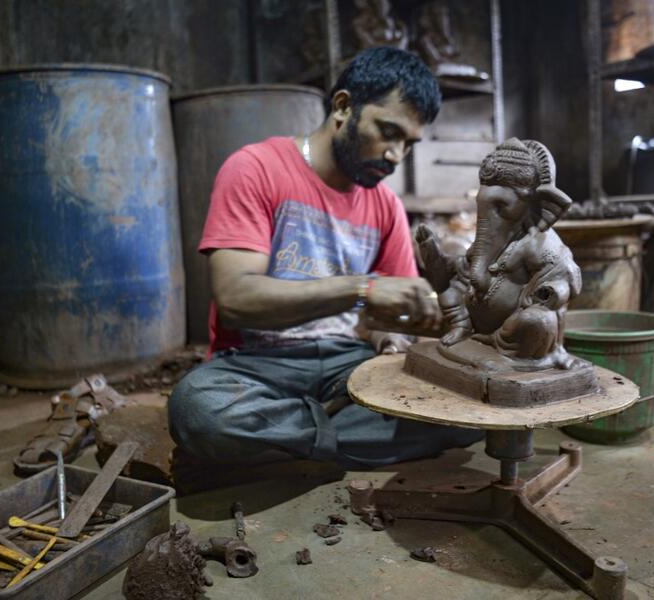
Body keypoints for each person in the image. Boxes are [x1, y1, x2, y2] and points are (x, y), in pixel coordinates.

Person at [168, 47, 484, 470]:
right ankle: (349, 437)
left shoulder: (385, 205)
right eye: (388, 131)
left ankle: (288, 446)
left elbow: (385, 325)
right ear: (343, 106)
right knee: (199, 410)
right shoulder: (254, 169)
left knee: (472, 402)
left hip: (348, 365)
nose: (396, 156)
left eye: (408, 143)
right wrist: (362, 289)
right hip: (257, 366)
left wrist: (390, 338)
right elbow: (236, 298)